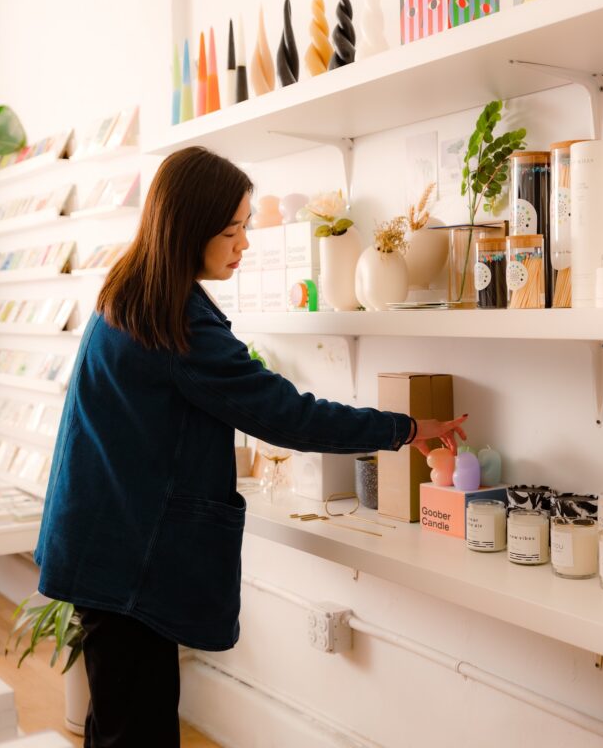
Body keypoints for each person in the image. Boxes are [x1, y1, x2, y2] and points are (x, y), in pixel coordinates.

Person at [34, 146, 467, 747]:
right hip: (126, 561)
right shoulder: (176, 321)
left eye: (245, 228)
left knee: (116, 722)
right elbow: (284, 415)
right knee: (137, 729)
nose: (244, 245)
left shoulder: (130, 292)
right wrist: (404, 428)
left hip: (103, 549)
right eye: (233, 229)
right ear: (190, 228)